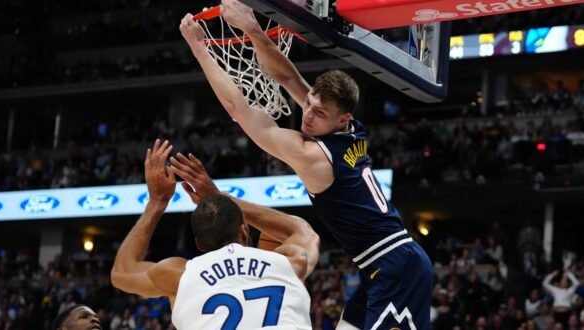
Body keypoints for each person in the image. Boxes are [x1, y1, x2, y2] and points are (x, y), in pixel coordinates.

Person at [179, 2, 433, 329]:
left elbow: (238, 109)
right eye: (309, 104)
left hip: (395, 267)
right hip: (383, 265)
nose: (307, 116)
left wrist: (200, 49)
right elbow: (286, 75)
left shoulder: (312, 156)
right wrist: (253, 30)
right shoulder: (349, 130)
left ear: (342, 117)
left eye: (318, 113)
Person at [111, 139, 319, 330]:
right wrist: (218, 196)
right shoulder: (287, 262)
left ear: (199, 244)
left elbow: (122, 273)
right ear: (244, 231)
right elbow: (302, 231)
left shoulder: (179, 275)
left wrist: (156, 203)